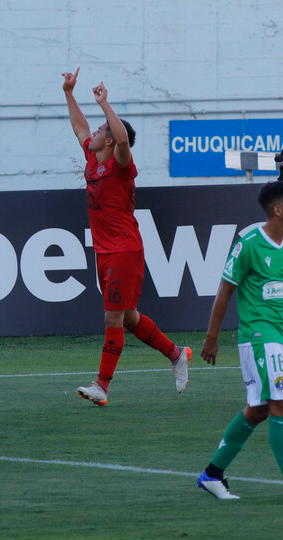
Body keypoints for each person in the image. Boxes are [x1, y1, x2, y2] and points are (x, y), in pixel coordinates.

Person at [196, 180, 283, 502]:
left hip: (279, 337)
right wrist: (211, 338)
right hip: (259, 338)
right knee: (282, 405)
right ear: (277, 209)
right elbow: (225, 291)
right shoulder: (248, 245)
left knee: (258, 410)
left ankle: (212, 474)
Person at [62, 67, 190, 407]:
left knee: (112, 317)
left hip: (124, 249)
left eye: (101, 129)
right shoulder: (93, 159)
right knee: (129, 317)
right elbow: (80, 128)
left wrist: (105, 104)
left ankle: (102, 385)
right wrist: (69, 93)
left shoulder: (120, 163)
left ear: (108, 139)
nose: (94, 131)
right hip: (104, 251)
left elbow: (121, 140)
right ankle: (176, 354)